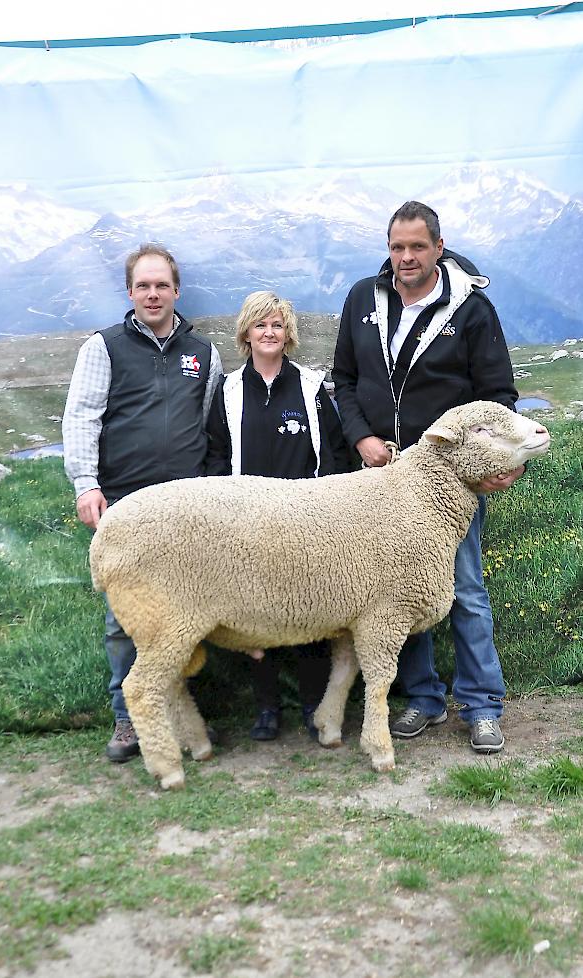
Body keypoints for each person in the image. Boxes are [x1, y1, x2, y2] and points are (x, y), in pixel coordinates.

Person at [332, 200, 523, 754]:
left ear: (439, 247)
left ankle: (483, 706)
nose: (406, 258)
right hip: (381, 476)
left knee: (463, 589)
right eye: (397, 247)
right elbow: (344, 378)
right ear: (387, 249)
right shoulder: (363, 299)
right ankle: (422, 697)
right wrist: (361, 438)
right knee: (395, 592)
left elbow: (499, 400)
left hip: (447, 483)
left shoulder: (471, 309)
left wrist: (500, 462)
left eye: (417, 247)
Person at [63, 243, 222, 762]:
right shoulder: (103, 348)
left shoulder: (203, 352)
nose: (153, 295)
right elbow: (83, 417)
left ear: (177, 290)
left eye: (162, 285)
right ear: (130, 292)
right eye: (143, 286)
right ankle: (129, 719)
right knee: (125, 618)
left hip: (185, 508)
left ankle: (180, 716)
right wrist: (87, 484)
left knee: (187, 613)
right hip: (125, 505)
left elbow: (207, 423)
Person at [206, 290, 351, 741]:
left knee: (311, 615)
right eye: (260, 325)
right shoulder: (228, 390)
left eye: (277, 325)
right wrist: (221, 509)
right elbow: (215, 453)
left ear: (288, 335)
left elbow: (334, 452)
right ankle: (266, 708)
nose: (269, 333)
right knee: (255, 619)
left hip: (306, 523)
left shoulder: (309, 387)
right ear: (245, 334)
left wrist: (325, 510)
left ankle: (311, 703)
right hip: (246, 523)